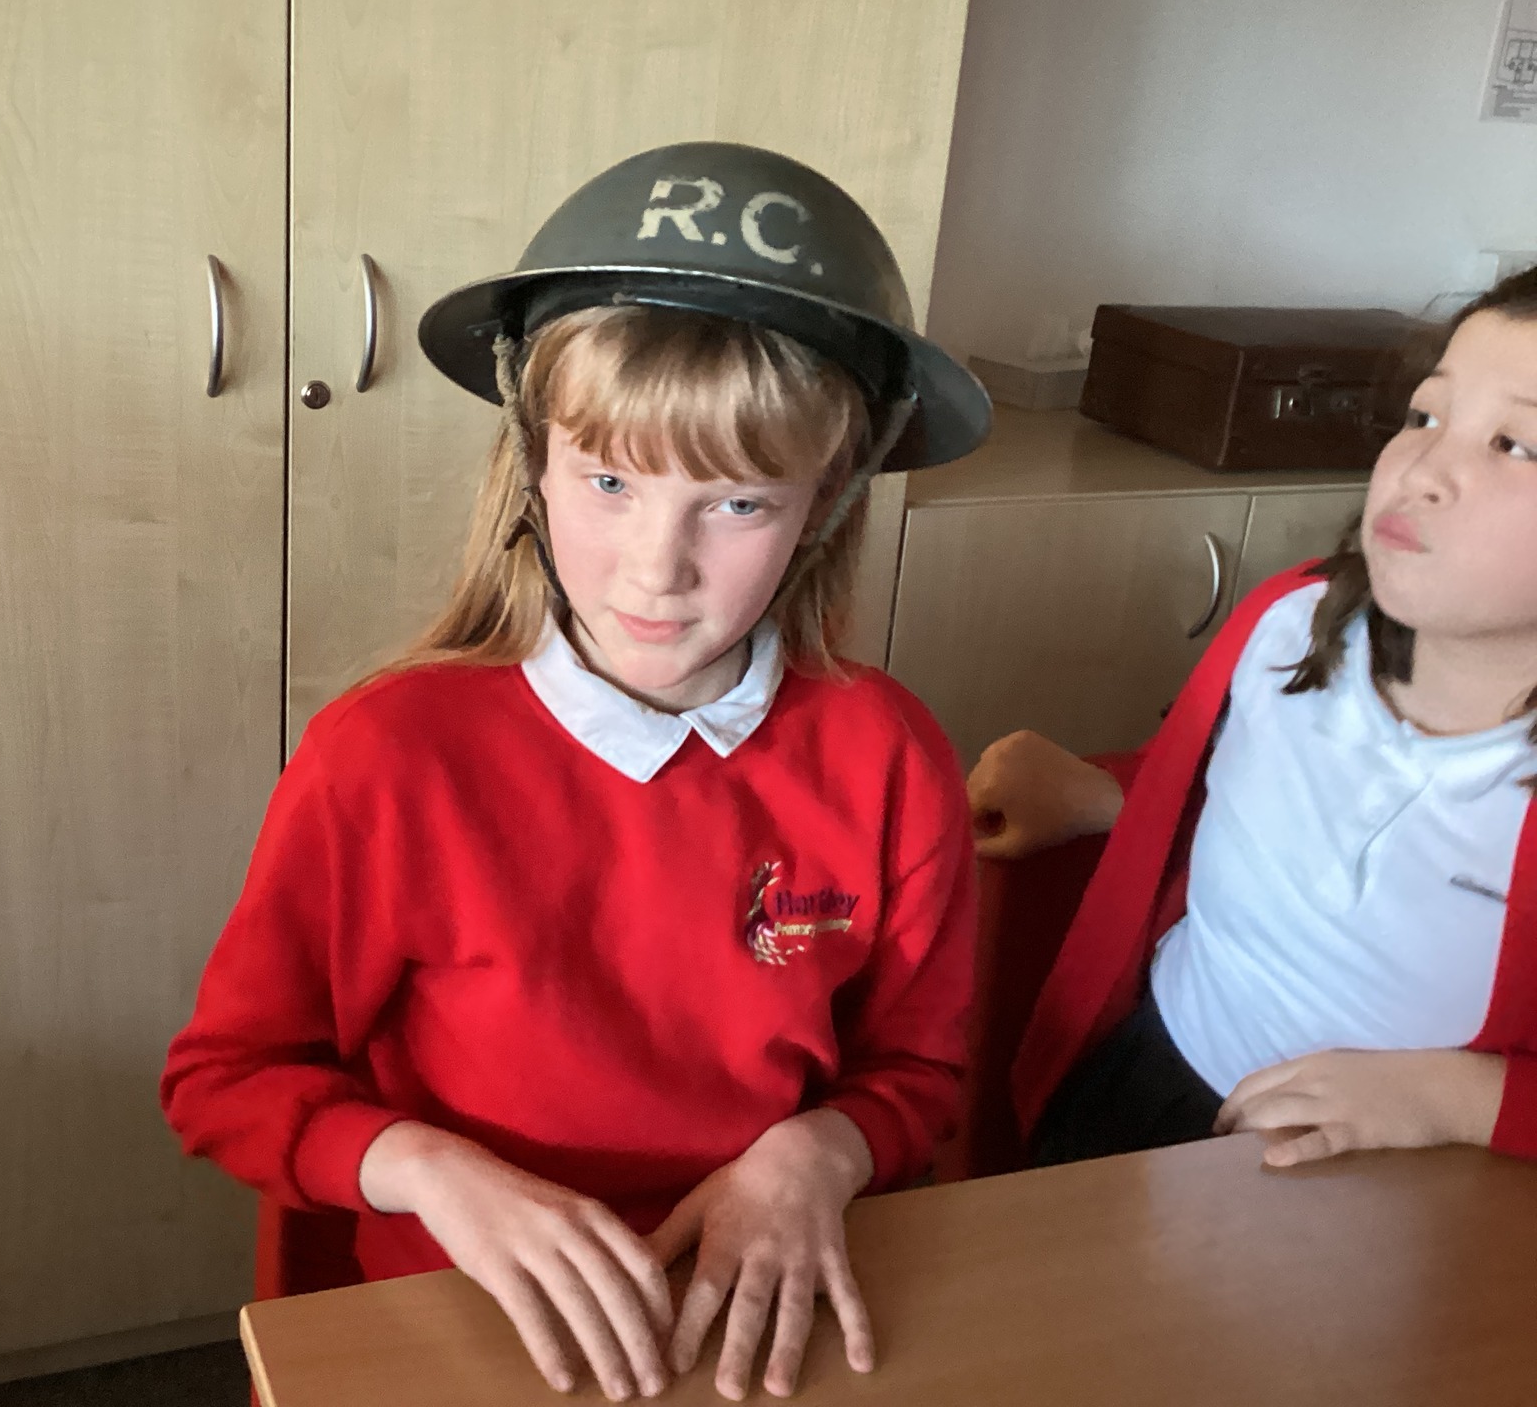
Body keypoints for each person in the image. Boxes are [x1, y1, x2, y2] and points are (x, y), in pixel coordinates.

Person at [162, 142, 992, 1401]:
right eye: (609, 482)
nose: (653, 570)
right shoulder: (388, 758)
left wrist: (817, 1152)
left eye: (736, 505)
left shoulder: (887, 755)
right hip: (469, 1314)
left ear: (822, 503)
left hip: (765, 1307)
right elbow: (225, 1080)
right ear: (532, 464)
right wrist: (429, 1171)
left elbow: (920, 1072)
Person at [969, 268, 1537, 1173]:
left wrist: (1466, 1096)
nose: (1422, 471)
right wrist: (1109, 795)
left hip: (1405, 1181)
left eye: (1515, 444)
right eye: (1427, 417)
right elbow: (1254, 801)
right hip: (1148, 1088)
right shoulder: (1289, 620)